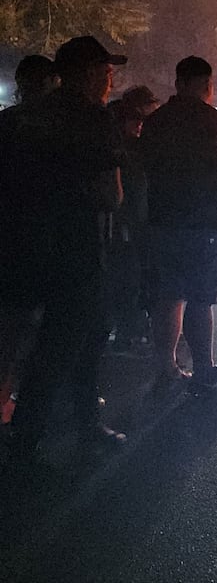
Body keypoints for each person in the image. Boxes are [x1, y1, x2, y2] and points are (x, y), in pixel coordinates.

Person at [5, 36, 128, 457]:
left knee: (18, 336)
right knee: (79, 336)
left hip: (19, 244)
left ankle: (25, 429)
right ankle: (74, 424)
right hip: (76, 246)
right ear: (91, 72)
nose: (111, 80)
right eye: (108, 72)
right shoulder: (94, 118)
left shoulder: (19, 118)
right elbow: (111, 196)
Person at [139, 56, 217, 395]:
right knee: (199, 298)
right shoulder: (213, 119)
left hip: (162, 223)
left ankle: (167, 369)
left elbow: (141, 172)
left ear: (177, 83)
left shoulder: (156, 121)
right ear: (207, 86)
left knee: (167, 298)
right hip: (203, 224)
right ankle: (204, 370)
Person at [0, 55, 59, 425]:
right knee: (30, 327)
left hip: (10, 233)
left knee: (11, 325)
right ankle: (16, 408)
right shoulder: (58, 126)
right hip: (43, 236)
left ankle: (6, 398)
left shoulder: (5, 123)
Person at [105, 86, 160, 354]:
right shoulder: (117, 146)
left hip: (140, 218)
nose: (141, 124)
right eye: (136, 119)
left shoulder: (140, 144)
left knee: (137, 274)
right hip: (124, 220)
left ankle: (136, 328)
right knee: (128, 276)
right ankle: (128, 330)